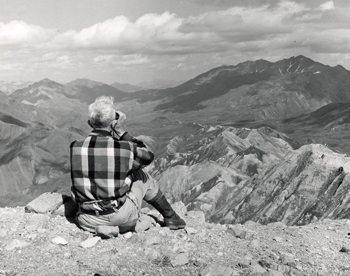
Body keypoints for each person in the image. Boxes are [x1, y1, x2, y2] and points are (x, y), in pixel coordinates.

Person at [70, 96, 185, 238]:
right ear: (113, 124)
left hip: (86, 220)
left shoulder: (75, 146)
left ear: (89, 123)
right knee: (141, 175)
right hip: (119, 218)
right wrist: (121, 132)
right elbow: (148, 156)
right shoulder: (125, 148)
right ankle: (171, 217)